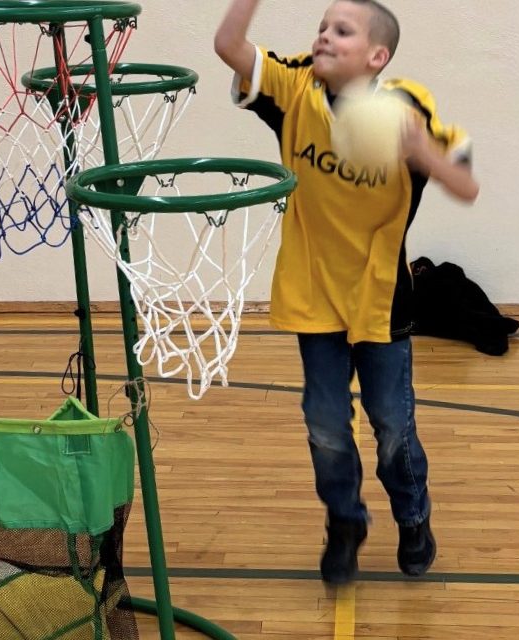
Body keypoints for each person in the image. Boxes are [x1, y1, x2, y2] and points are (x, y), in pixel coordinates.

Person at [214, 0, 480, 584]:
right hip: (314, 296)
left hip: (382, 298)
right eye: (322, 27)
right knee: (325, 424)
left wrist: (421, 151)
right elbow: (229, 47)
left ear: (377, 56)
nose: (325, 37)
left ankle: (413, 517)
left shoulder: (408, 108)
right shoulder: (295, 86)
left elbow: (466, 185)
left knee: (392, 427)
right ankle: (344, 521)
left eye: (342, 30)